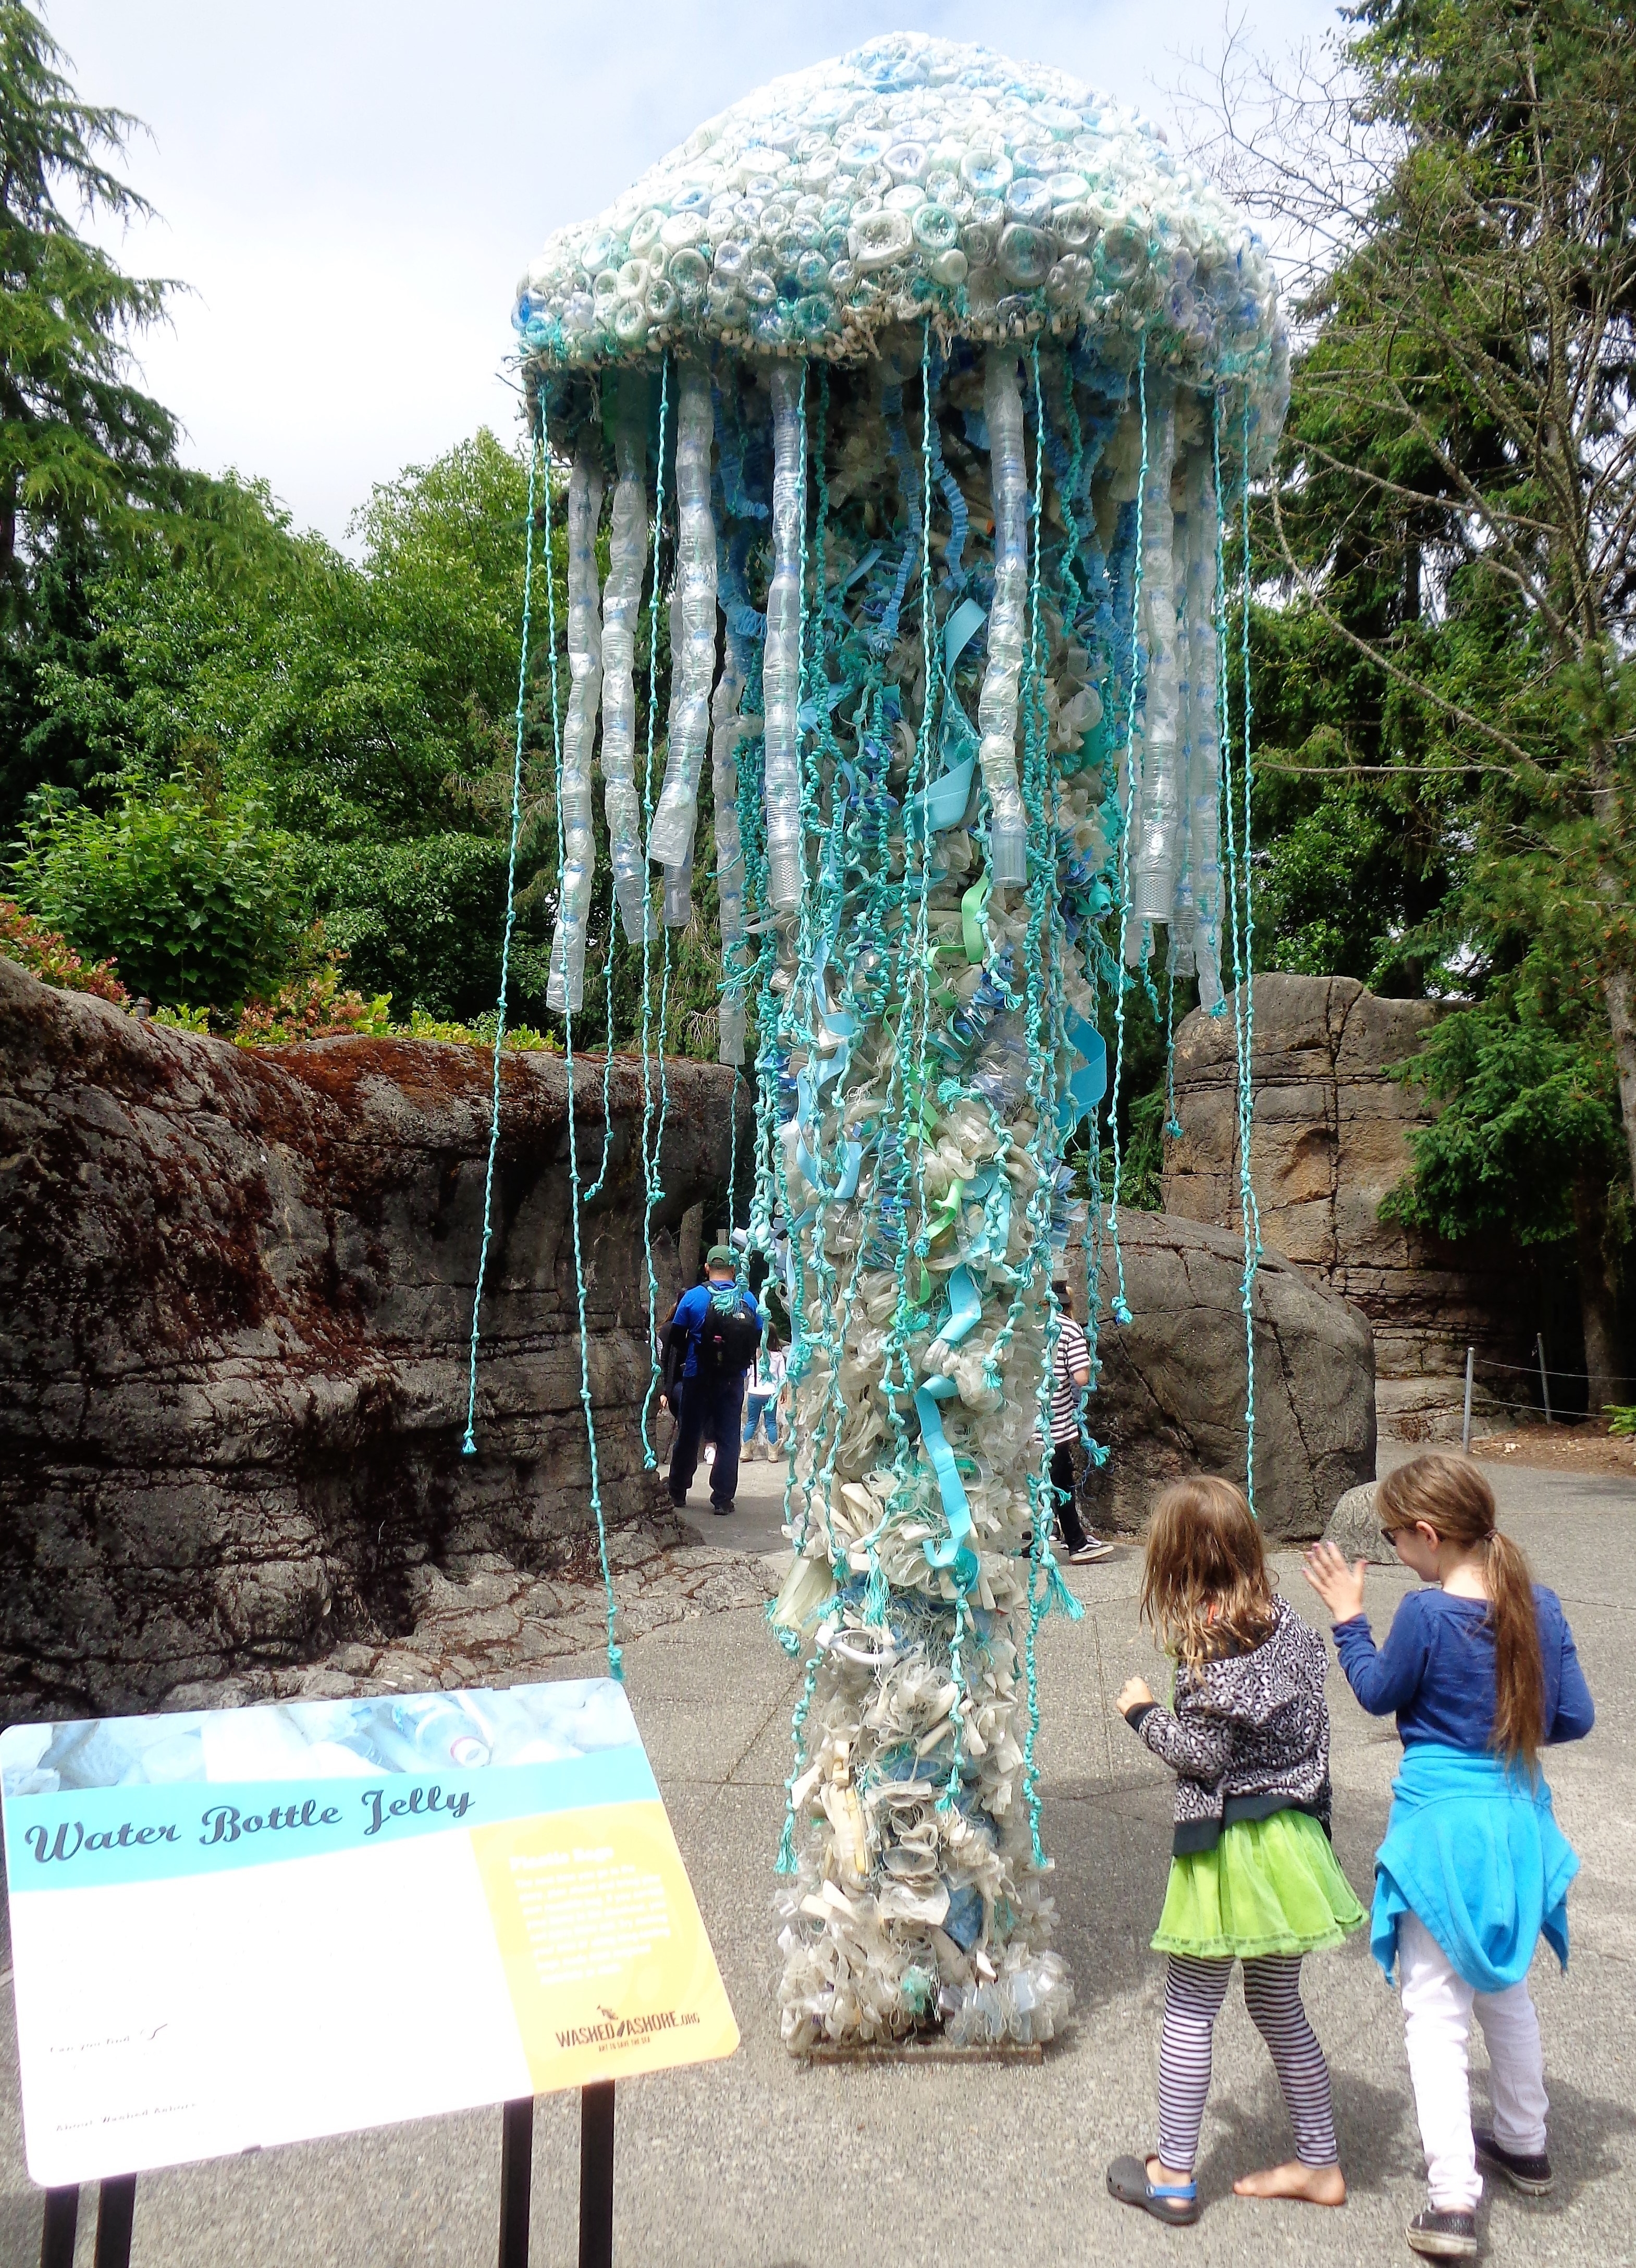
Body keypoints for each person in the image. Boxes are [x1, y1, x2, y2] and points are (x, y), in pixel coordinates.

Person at [1304, 1454, 1595, 2261]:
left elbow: (1374, 1689)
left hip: (1442, 1828)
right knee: (1501, 1988)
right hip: (1517, 1821)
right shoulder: (1539, 1603)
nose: (1395, 1548)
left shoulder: (1428, 1614)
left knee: (1433, 2011)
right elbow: (1571, 1716)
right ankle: (1524, 2142)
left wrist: (1347, 1616)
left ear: (1429, 1534)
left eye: (1396, 1536)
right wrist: (1503, 1721)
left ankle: (1452, 2200)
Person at [1108, 1475, 1364, 2228]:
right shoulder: (1287, 1625)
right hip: (1289, 1839)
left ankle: (1173, 2174)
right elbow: (1313, 1736)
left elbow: (1202, 1754)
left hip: (1229, 1844)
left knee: (1190, 2004)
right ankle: (1319, 2160)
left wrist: (1141, 1711)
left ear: (1176, 1566)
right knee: (1278, 2002)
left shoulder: (1213, 1643)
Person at [665, 1246, 763, 1516]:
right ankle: (722, 1499)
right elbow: (756, 1336)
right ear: (734, 1269)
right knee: (729, 1438)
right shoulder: (748, 1300)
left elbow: (675, 1336)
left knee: (689, 1434)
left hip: (698, 1376)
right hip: (733, 1380)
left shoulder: (693, 1298)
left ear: (707, 1268)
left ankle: (677, 1491)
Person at [1046, 1283, 1112, 1563]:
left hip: (1026, 1422)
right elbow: (1082, 1377)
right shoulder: (1070, 1329)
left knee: (1035, 1481)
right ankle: (1076, 1542)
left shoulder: (1031, 1325)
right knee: (1061, 1481)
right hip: (1055, 1421)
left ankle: (1037, 1537)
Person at [742, 1335, 786, 1462]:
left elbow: (747, 1374)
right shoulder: (778, 1356)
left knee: (751, 1422)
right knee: (771, 1423)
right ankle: (772, 1454)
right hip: (771, 1393)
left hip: (754, 1392)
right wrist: (784, 1392)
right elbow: (782, 1376)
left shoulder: (754, 1355)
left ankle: (745, 1452)